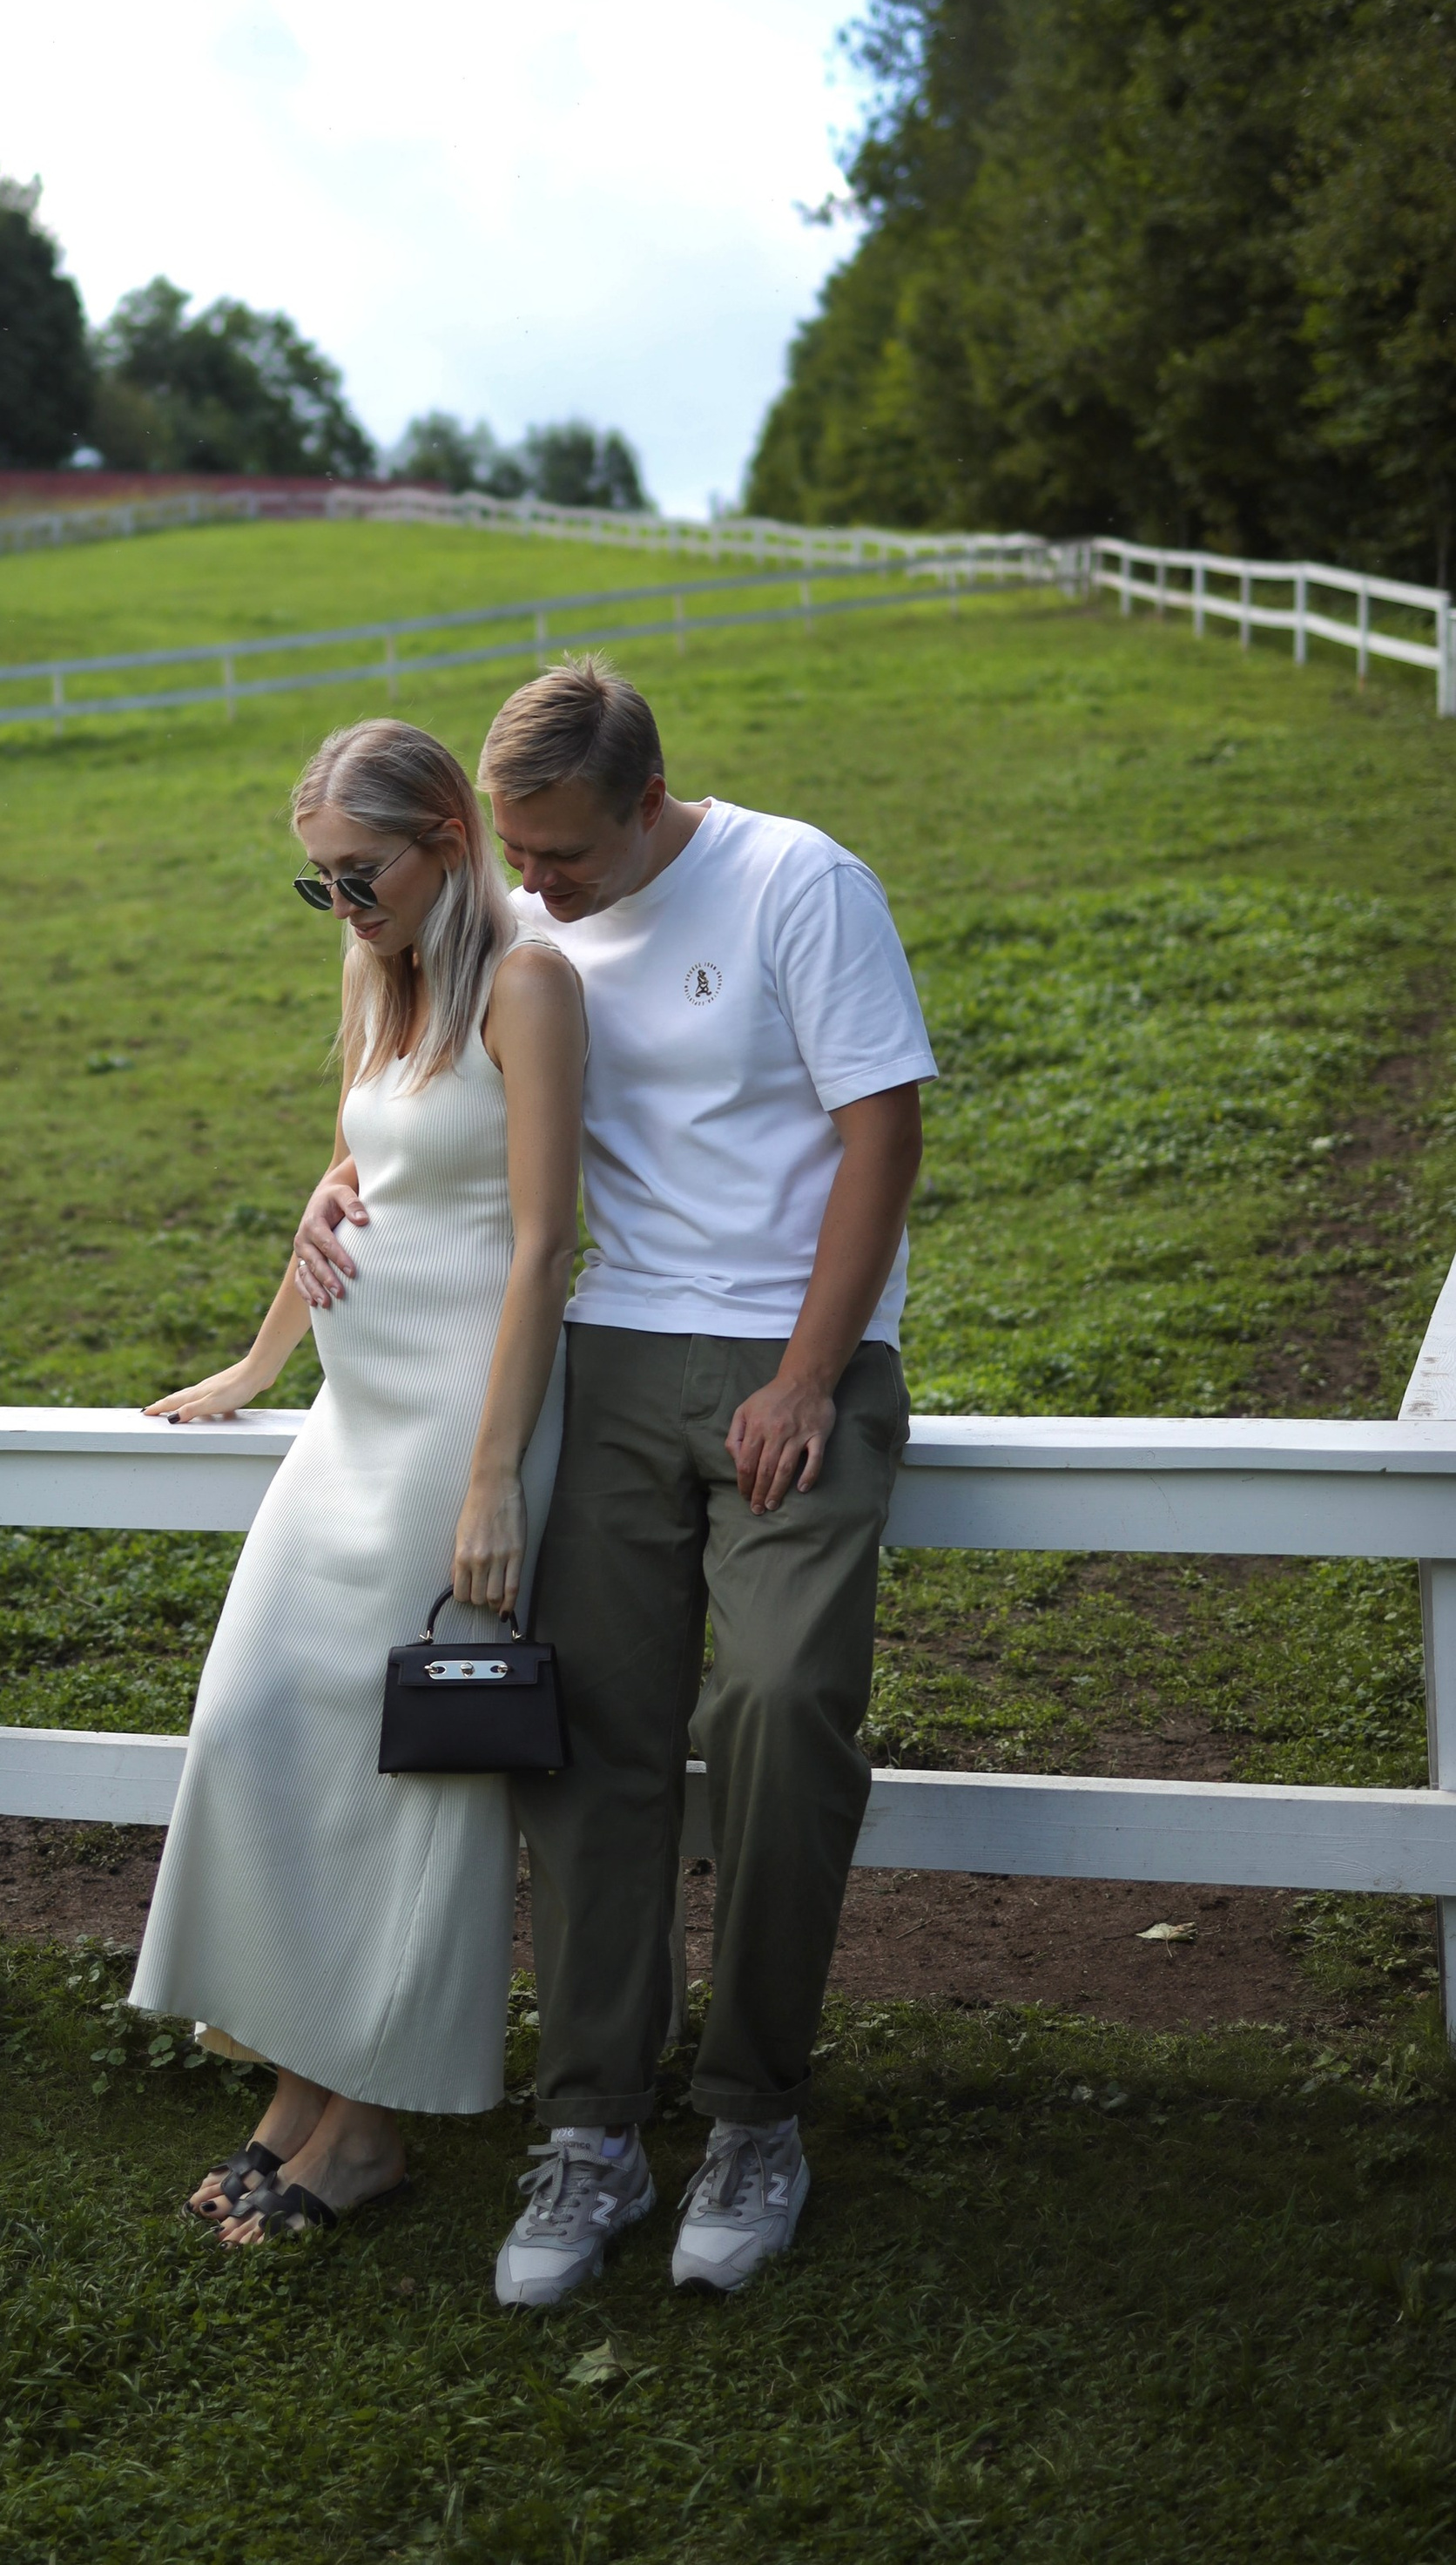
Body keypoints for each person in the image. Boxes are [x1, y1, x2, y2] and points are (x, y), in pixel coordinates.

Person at [293, 658, 934, 2305]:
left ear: (648, 801)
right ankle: (589, 2130)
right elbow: (450, 1101)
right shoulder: (526, 931)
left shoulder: (800, 880)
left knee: (781, 1707)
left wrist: (805, 1375)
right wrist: (332, 1191)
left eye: (563, 852)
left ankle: (754, 2113)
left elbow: (885, 1134)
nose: (540, 884)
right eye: (516, 849)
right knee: (590, 1751)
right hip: (605, 1365)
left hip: (798, 1364)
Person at [131, 715, 586, 2244]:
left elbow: (541, 1239)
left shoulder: (528, 981)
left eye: (359, 875)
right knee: (260, 1715)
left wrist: (495, 1479)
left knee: (407, 1764)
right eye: (318, 884)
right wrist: (260, 1362)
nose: (342, 906)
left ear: (448, 834)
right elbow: (349, 1183)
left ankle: (368, 2120)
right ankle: (297, 2079)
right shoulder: (372, 971)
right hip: (351, 1412)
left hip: (462, 1422)